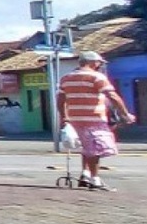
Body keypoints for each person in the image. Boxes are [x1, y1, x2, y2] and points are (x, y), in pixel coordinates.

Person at [56, 50, 132, 191]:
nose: (99, 65)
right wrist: (125, 114)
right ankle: (95, 180)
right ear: (92, 62)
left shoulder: (66, 78)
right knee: (96, 149)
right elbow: (113, 96)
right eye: (98, 63)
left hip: (74, 119)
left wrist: (64, 117)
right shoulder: (97, 77)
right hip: (94, 118)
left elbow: (60, 100)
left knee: (86, 147)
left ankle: (85, 174)